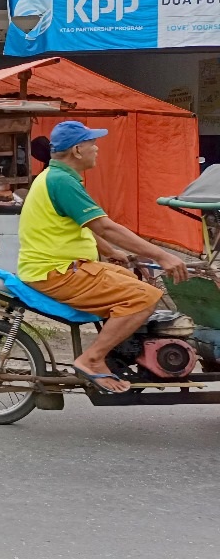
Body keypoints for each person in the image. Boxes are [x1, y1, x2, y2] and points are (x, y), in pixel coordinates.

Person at [18, 121, 187, 394]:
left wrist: (113, 253)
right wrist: (162, 255)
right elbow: (105, 226)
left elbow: (82, 224)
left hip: (57, 267)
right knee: (145, 297)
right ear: (77, 149)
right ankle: (93, 358)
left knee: (134, 279)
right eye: (92, 143)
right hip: (58, 271)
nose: (96, 148)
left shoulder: (56, 176)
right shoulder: (61, 181)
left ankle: (118, 354)